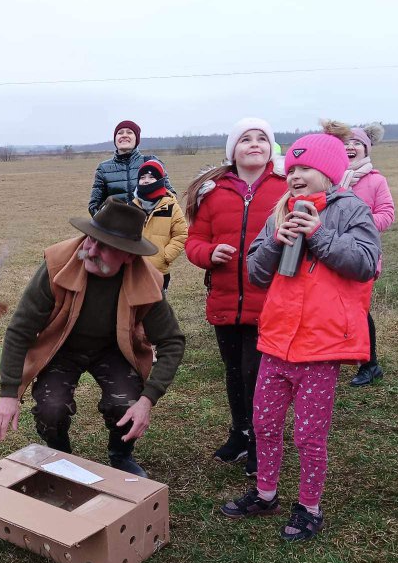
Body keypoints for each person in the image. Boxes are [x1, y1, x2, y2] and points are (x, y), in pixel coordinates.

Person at [219, 123, 381, 541]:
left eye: (304, 167)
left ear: (328, 170)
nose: (294, 175)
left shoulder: (349, 209)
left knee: (309, 434)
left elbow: (365, 263)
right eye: (290, 168)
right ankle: (265, 493)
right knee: (265, 422)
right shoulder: (281, 209)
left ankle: (309, 507)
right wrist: (277, 239)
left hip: (320, 348)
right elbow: (255, 272)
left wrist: (319, 235)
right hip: (276, 342)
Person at [0, 198, 186, 477]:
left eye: (105, 246)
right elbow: (20, 330)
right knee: (51, 408)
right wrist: (9, 393)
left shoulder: (147, 281)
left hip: (114, 349)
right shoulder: (57, 265)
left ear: (129, 256)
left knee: (126, 404)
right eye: (90, 239)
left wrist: (148, 400)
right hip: (61, 347)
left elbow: (172, 341)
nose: (90, 250)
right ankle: (61, 457)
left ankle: (120, 455)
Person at [185, 118, 288, 477]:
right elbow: (194, 241)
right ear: (233, 150)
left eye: (262, 138)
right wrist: (209, 253)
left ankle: (262, 441)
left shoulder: (285, 188)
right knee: (233, 372)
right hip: (226, 299)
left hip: (270, 300)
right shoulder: (212, 193)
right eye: (246, 139)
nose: (255, 144)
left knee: (258, 374)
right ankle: (240, 432)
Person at [342, 123, 396, 387]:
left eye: (357, 143)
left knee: (359, 310)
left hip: (363, 255)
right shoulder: (331, 178)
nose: (350, 147)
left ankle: (369, 364)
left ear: (367, 148)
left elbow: (387, 214)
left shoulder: (376, 180)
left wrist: (357, 223)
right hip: (333, 253)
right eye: (346, 142)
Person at [88, 120, 173, 216]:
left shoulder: (151, 162)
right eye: (120, 133)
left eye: (129, 132)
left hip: (147, 228)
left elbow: (170, 196)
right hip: (117, 229)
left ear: (136, 139)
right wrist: (111, 222)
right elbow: (93, 206)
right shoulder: (103, 168)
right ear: (115, 139)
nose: (124, 135)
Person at [131, 160, 188, 290]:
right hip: (133, 271)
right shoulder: (132, 206)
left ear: (160, 180)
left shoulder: (171, 206)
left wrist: (165, 255)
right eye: (142, 177)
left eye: (152, 177)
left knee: (156, 308)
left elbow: (181, 234)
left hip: (159, 272)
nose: (146, 181)